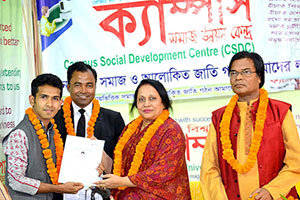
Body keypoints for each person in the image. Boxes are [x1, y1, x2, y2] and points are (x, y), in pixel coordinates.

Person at [200, 51, 300, 200]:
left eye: (246, 72)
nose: (238, 77)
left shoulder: (281, 112)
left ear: (259, 77)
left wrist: (271, 191)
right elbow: (209, 168)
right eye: (233, 73)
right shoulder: (219, 118)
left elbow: (296, 161)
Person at [94, 79, 191, 199]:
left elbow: (162, 171)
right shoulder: (131, 129)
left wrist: (123, 181)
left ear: (163, 102)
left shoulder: (171, 130)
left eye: (152, 98)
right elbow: (119, 168)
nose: (146, 104)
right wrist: (100, 157)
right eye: (141, 99)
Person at [2, 74, 84, 200]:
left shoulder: (52, 131)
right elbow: (16, 181)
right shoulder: (20, 134)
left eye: (55, 98)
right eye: (44, 97)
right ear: (32, 100)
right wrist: (58, 189)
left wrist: (92, 165)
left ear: (61, 102)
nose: (50, 104)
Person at [54, 61, 125, 199]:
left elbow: (121, 164)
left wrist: (104, 160)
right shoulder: (54, 120)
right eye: (77, 85)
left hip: (100, 193)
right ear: (68, 87)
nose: (84, 91)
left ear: (95, 87)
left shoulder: (113, 119)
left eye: (89, 85)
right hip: (61, 193)